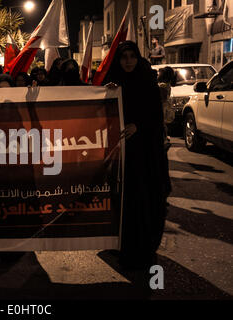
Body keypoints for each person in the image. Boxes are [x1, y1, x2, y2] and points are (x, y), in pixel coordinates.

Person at [103, 41, 168, 270]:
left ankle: (143, 248)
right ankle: (125, 247)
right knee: (124, 201)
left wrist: (137, 126)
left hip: (145, 154)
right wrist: (108, 94)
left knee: (143, 200)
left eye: (132, 56)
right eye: (123, 57)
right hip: (122, 155)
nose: (128, 61)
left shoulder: (147, 81)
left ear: (138, 57)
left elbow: (155, 117)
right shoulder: (114, 82)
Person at [157, 66, 175, 149]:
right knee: (163, 125)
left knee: (161, 125)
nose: (158, 75)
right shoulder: (167, 85)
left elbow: (162, 98)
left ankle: (164, 141)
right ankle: (165, 139)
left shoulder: (162, 86)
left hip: (162, 108)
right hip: (165, 107)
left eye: (159, 73)